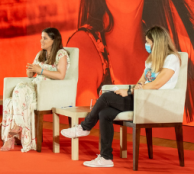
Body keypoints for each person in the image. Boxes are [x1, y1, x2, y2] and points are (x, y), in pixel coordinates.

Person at [62, 26, 181, 167]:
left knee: (106, 98)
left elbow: (155, 85)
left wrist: (130, 91)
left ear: (158, 42)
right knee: (105, 113)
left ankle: (84, 127)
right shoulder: (150, 61)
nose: (146, 45)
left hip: (155, 103)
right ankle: (106, 158)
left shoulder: (172, 59)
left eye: (149, 42)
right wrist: (133, 89)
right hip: (140, 99)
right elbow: (140, 83)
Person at [0, 27, 70, 152]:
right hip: (35, 85)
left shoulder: (61, 54)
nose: (41, 41)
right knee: (15, 95)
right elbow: (30, 76)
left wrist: (41, 70)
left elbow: (61, 75)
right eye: (41, 37)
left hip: (48, 90)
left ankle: (12, 133)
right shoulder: (41, 54)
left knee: (19, 92)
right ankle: (14, 129)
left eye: (45, 38)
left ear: (54, 40)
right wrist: (30, 70)